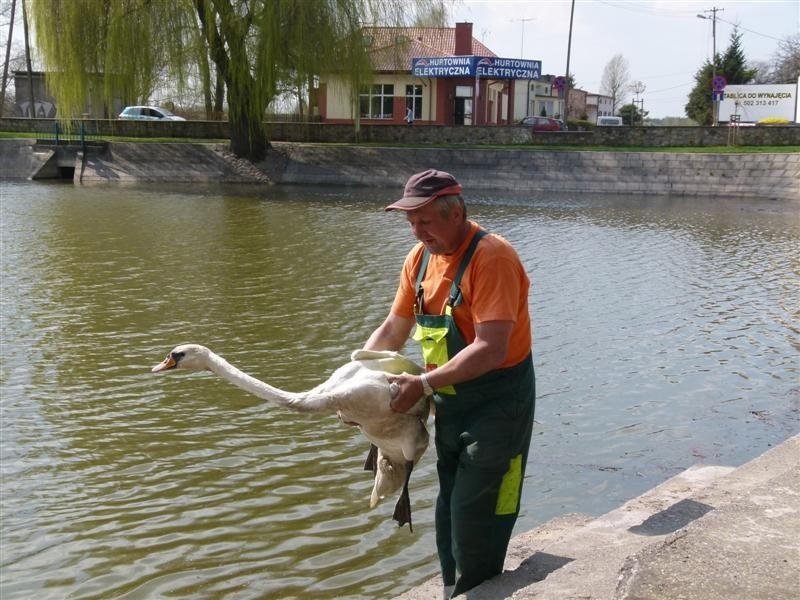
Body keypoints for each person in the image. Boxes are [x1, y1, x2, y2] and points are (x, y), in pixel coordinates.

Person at [364, 169, 535, 598]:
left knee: (479, 506)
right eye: (410, 221)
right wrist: (361, 381)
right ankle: (453, 588)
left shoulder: (491, 258)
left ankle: (480, 587)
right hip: (450, 398)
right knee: (448, 507)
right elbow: (394, 327)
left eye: (425, 221)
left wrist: (421, 384)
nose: (417, 231)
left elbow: (491, 348)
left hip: (499, 401)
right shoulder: (418, 260)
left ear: (455, 212)